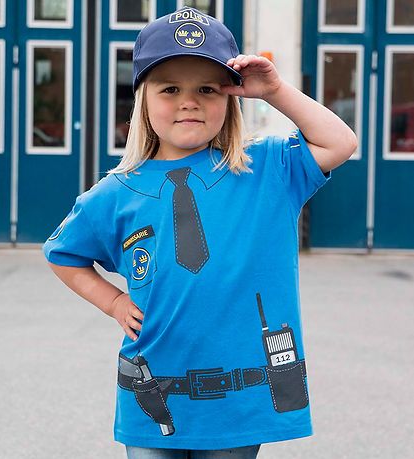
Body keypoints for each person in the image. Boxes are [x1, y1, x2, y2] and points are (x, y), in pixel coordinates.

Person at [42, 6, 357, 459]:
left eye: (207, 89)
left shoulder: (267, 169)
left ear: (230, 99)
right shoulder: (115, 192)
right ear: (143, 101)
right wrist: (112, 301)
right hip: (152, 394)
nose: (189, 100)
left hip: (240, 400)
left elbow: (340, 142)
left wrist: (275, 91)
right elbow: (62, 253)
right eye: (170, 88)